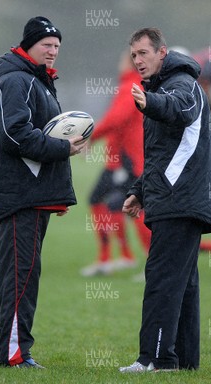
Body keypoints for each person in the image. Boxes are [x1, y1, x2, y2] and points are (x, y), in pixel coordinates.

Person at [0, 16, 86, 369]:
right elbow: (13, 135)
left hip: (30, 193)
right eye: (46, 45)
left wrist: (53, 189)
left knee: (11, 274)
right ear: (28, 45)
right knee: (20, 276)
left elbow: (36, 134)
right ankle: (14, 354)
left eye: (57, 46)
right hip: (19, 194)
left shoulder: (35, 79)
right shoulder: (17, 80)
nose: (53, 51)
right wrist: (63, 149)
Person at [120, 28, 211, 373]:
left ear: (162, 52)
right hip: (177, 196)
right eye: (134, 55)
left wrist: (150, 102)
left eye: (144, 53)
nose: (138, 60)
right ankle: (183, 362)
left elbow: (177, 109)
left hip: (180, 200)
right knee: (184, 283)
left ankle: (155, 359)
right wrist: (139, 190)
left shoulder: (180, 85)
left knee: (162, 279)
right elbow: (163, 154)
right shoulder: (164, 85)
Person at [80, 50, 150, 277]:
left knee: (132, 208)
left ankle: (138, 261)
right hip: (122, 160)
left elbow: (116, 119)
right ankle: (123, 256)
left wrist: (91, 136)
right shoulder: (133, 84)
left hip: (126, 161)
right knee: (113, 204)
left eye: (122, 59)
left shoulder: (131, 85)